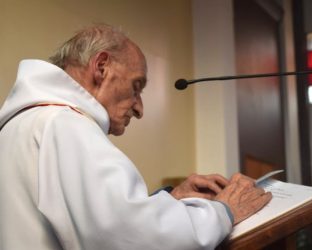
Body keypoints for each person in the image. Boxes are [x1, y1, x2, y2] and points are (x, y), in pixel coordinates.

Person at [0, 24, 271, 250]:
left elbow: (93, 222)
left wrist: (168, 200)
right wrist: (224, 211)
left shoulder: (24, 122)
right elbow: (132, 239)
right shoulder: (64, 124)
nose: (139, 108)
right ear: (102, 66)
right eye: (136, 86)